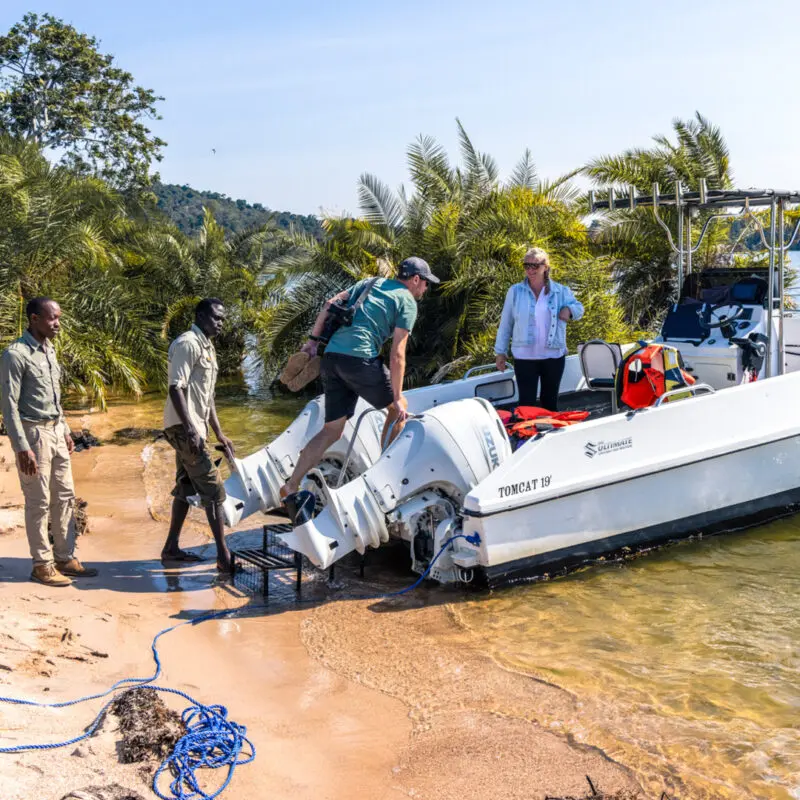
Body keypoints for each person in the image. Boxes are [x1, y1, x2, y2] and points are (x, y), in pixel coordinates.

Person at [280, 256, 438, 499]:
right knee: (399, 409)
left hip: (331, 358)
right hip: (360, 359)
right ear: (416, 279)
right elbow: (397, 354)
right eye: (426, 283)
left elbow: (329, 304)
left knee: (332, 429)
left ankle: (291, 486)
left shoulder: (370, 282)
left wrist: (312, 343)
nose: (426, 288)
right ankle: (380, 479)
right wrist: (396, 398)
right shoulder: (407, 301)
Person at [0, 297, 98, 587]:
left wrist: (66, 429)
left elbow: (55, 397)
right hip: (33, 435)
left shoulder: (49, 349)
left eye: (59, 317)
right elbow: (9, 405)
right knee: (38, 501)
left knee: (65, 495)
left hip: (56, 431)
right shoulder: (15, 355)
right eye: (52, 318)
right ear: (34, 319)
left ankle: (65, 558)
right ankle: (41, 565)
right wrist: (21, 447)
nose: (58, 323)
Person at [161, 298, 236, 573]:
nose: (221, 323)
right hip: (184, 429)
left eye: (223, 319)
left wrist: (220, 433)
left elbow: (208, 398)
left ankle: (171, 548)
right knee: (214, 492)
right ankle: (223, 558)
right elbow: (175, 388)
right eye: (216, 317)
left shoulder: (207, 347)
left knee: (185, 487)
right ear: (201, 316)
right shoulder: (188, 344)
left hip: (193, 430)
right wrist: (191, 429)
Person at [494, 247, 584, 411]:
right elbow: (506, 323)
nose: (530, 269)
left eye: (535, 265)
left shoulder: (560, 291)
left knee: (549, 405)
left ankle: (549, 436)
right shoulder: (515, 291)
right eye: (526, 265)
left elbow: (579, 308)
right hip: (524, 358)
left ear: (545, 267)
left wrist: (569, 311)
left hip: (553, 357)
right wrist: (501, 352)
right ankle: (527, 436)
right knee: (526, 406)